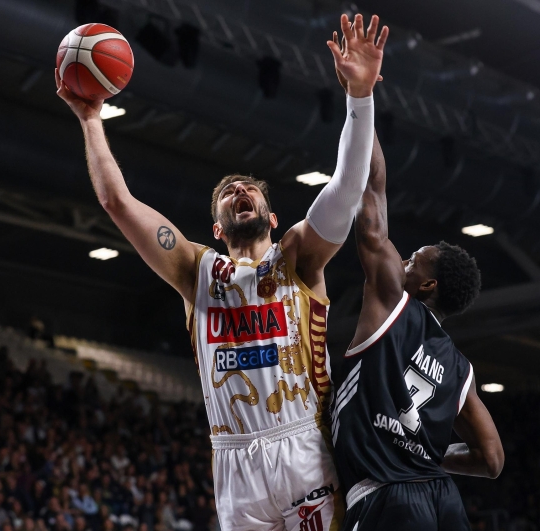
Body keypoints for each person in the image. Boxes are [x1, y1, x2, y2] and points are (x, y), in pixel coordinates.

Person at [56, 12, 389, 531]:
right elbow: (117, 203)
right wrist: (90, 119)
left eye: (249, 189)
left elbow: (347, 189)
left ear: (272, 218)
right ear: (215, 227)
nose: (239, 191)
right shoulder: (195, 270)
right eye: (227, 192)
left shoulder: (297, 255)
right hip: (232, 460)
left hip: (302, 443)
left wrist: (360, 96)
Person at [328, 34, 504, 528]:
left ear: (425, 286)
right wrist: (433, 461)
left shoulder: (390, 302)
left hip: (389, 496)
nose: (402, 260)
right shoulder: (460, 370)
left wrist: (358, 97)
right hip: (441, 498)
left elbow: (373, 188)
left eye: (414, 261)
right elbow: (492, 460)